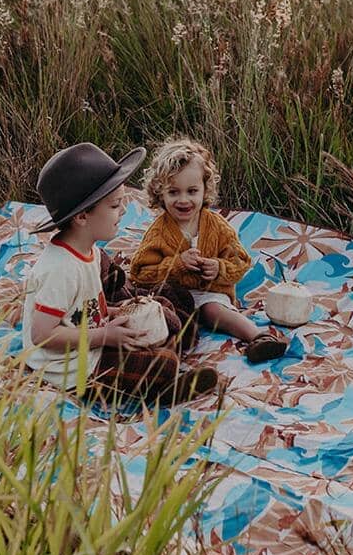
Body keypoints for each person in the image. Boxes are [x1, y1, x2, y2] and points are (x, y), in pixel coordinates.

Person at [22, 142, 218, 405]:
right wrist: (103, 336)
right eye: (115, 205)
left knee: (161, 309)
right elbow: (42, 335)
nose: (124, 211)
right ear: (82, 217)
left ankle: (155, 365)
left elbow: (83, 308)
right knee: (165, 362)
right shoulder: (60, 269)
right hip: (68, 367)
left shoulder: (88, 251)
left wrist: (118, 312)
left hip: (90, 337)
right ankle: (161, 388)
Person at [130, 138, 288, 363]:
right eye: (174, 192)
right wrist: (177, 265)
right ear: (159, 193)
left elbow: (241, 261)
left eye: (192, 191)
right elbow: (139, 273)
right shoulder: (158, 232)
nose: (183, 200)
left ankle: (259, 338)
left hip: (208, 294)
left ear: (205, 190)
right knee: (163, 318)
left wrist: (219, 268)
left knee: (215, 311)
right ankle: (166, 362)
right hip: (172, 296)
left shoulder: (216, 226)